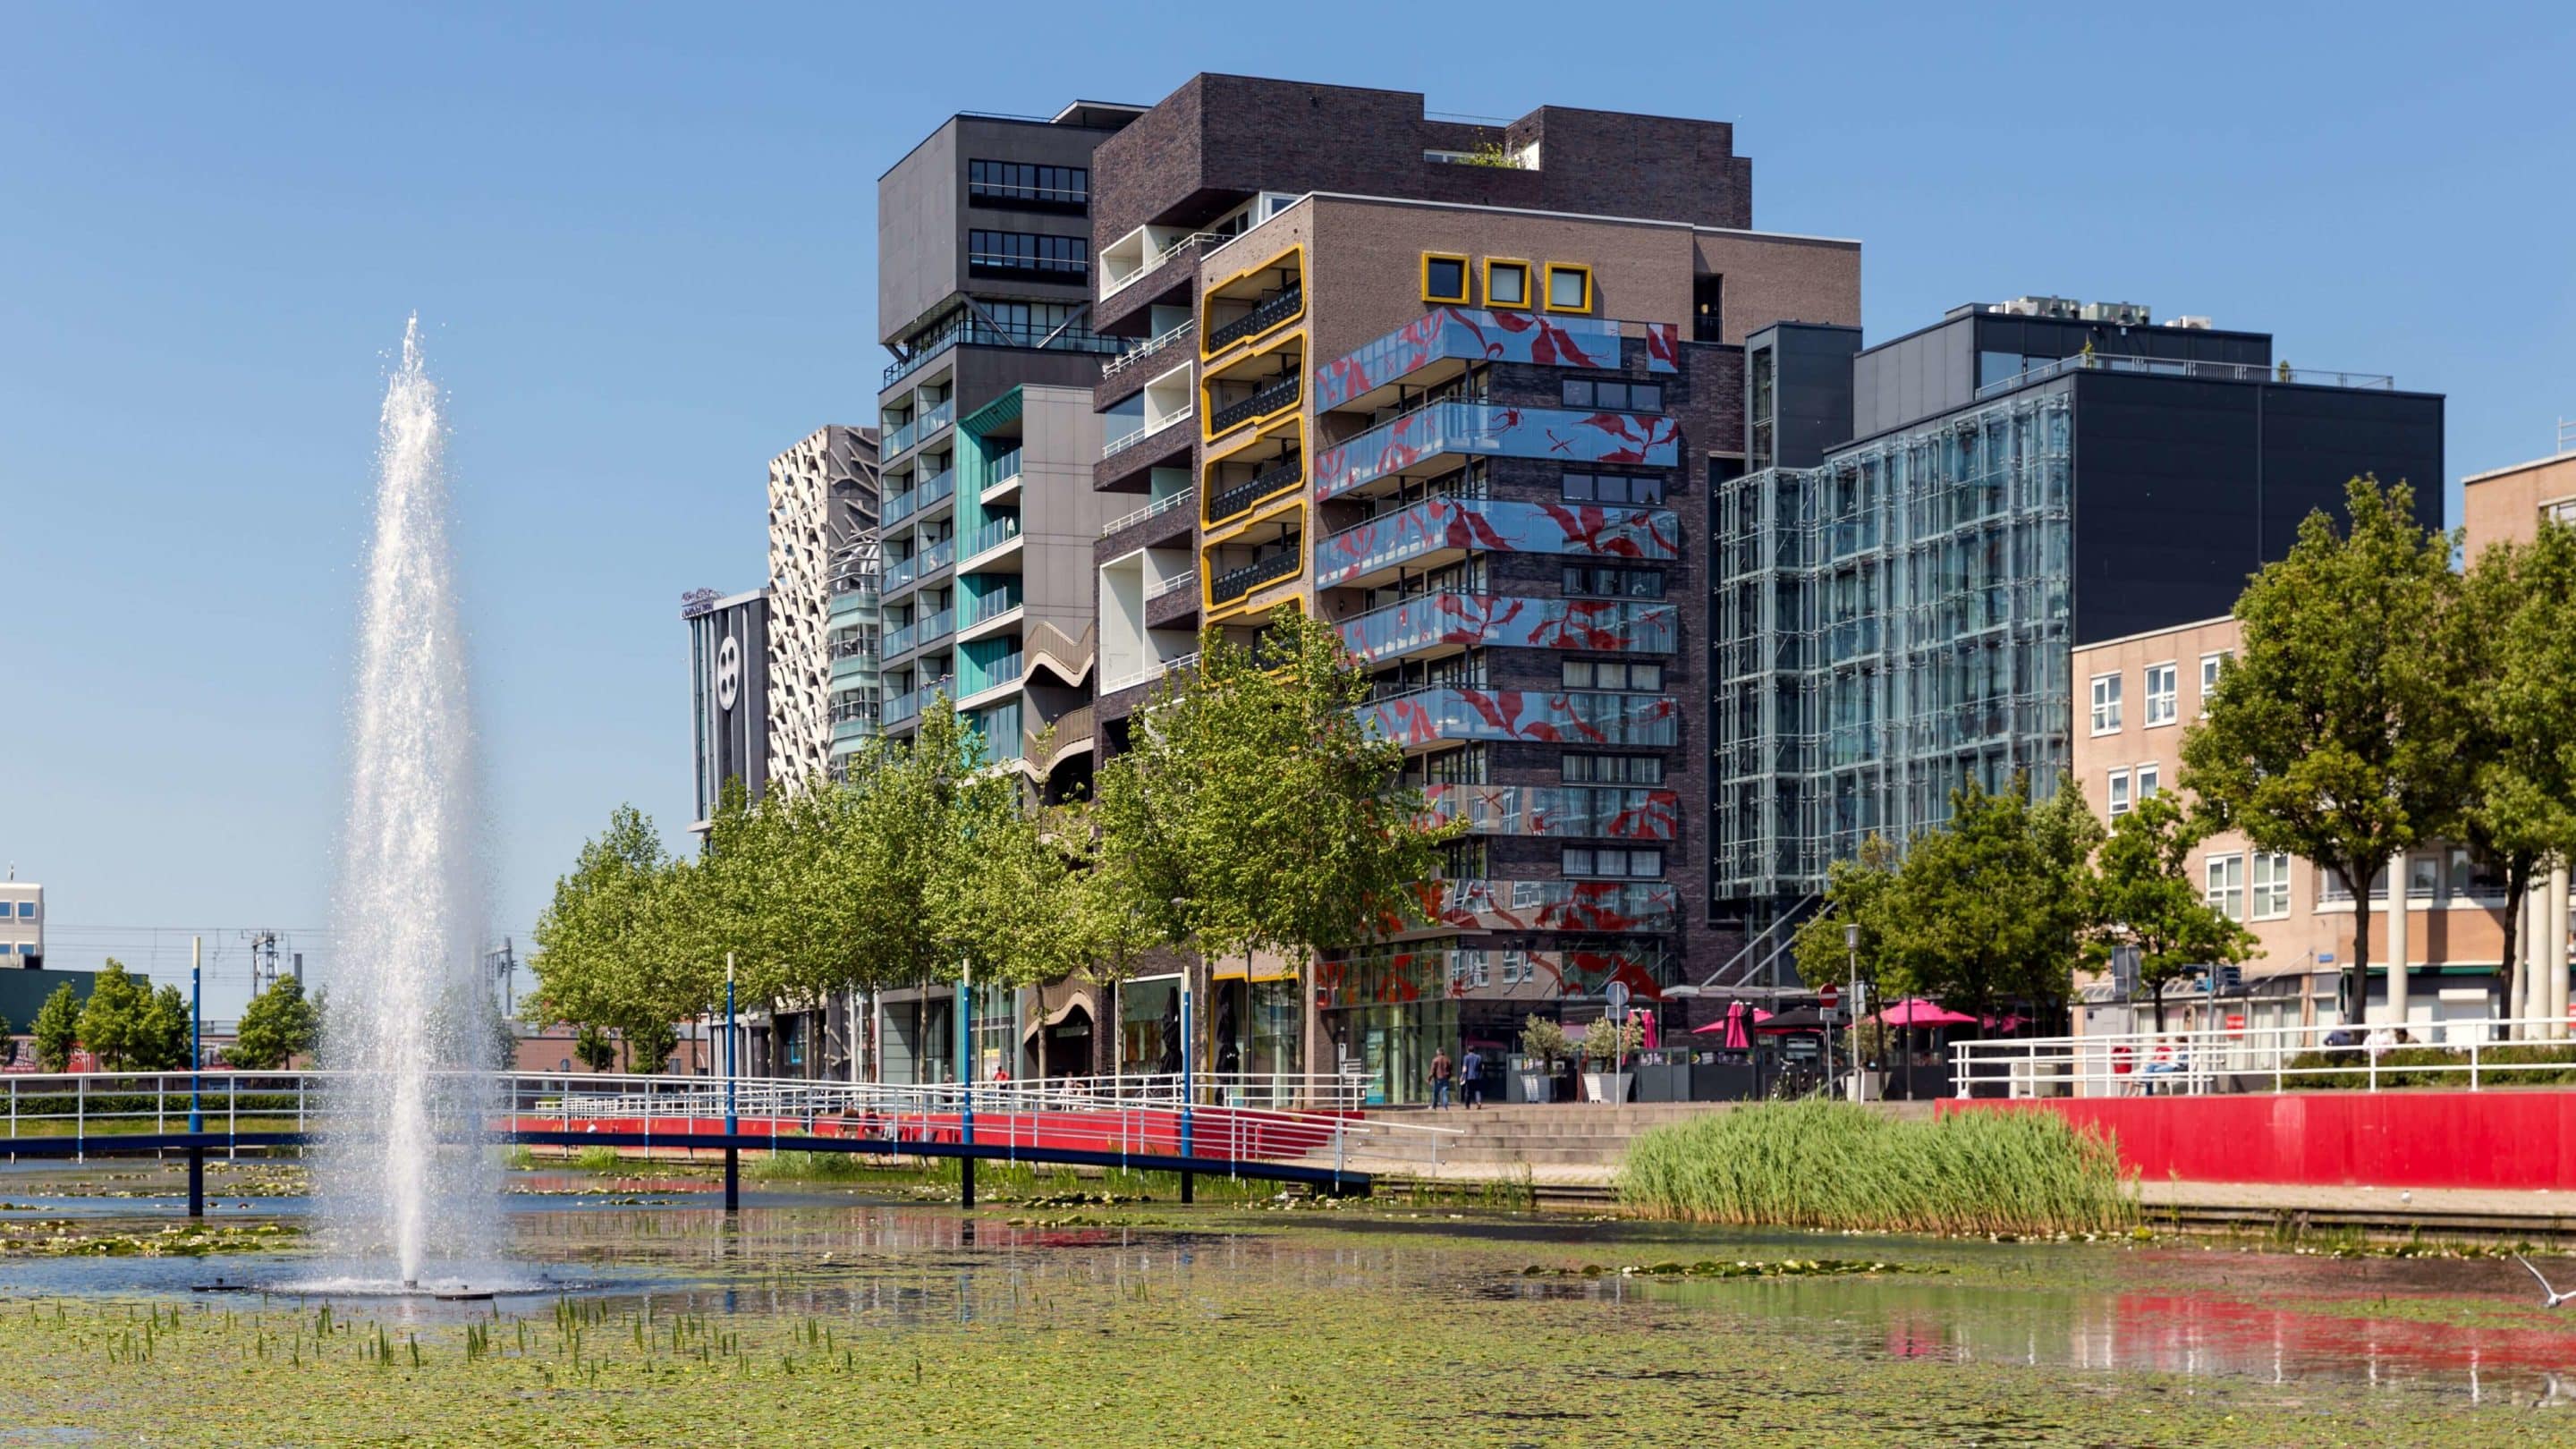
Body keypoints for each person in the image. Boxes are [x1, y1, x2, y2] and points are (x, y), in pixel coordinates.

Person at [1459, 1045, 1485, 1109]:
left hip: (1469, 1077)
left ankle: (1467, 1105)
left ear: (1468, 1050)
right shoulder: (1479, 1057)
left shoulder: (1466, 1057)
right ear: (1474, 1050)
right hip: (1477, 1076)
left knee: (1467, 1091)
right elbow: (1482, 1067)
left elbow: (1465, 1068)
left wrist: (1462, 1076)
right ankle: (1478, 1102)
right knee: (1477, 1090)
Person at [1428, 1046, 1453, 1110]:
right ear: (1443, 1052)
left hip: (1437, 1079)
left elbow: (1432, 1071)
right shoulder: (1448, 1059)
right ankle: (1445, 1107)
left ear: (1438, 1052)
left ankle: (1434, 1106)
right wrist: (1449, 1076)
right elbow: (1451, 1069)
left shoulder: (1435, 1060)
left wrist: (1429, 1078)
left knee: (1435, 1093)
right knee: (1445, 1092)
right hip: (1445, 1078)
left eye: (1437, 1052)